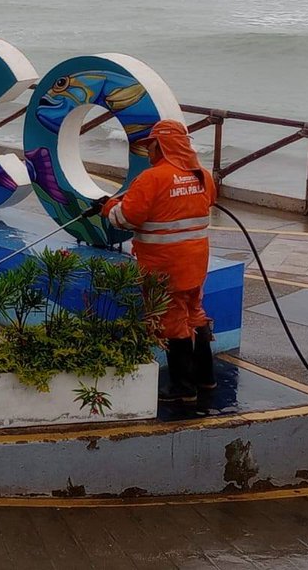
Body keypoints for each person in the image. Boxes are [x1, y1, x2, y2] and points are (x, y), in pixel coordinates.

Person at [100, 119, 218, 404]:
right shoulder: (203, 175)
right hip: (195, 263)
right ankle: (206, 378)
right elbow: (204, 204)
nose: (148, 151)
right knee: (195, 312)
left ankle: (183, 388)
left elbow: (127, 218)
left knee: (172, 321)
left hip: (164, 266)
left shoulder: (152, 179)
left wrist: (107, 208)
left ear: (161, 145)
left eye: (150, 145)